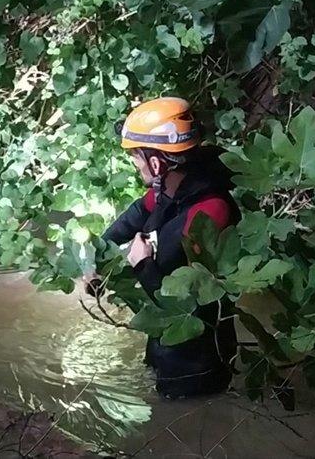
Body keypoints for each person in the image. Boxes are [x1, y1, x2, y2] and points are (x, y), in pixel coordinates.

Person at [95, 97, 240, 398]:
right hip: (167, 340)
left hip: (195, 361)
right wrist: (96, 258)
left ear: (156, 163)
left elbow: (187, 302)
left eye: (136, 157)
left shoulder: (209, 213)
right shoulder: (172, 188)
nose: (135, 165)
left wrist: (142, 265)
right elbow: (137, 214)